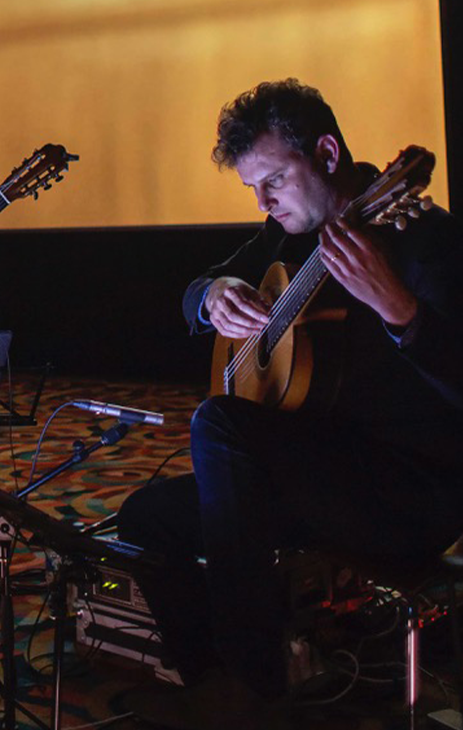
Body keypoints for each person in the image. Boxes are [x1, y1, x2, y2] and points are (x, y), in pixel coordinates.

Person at [117, 79, 463, 730]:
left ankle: (257, 687)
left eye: (273, 179)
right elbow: (194, 290)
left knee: (220, 423)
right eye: (252, 189)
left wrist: (400, 310)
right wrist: (213, 292)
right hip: (324, 474)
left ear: (327, 153)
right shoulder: (288, 233)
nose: (263, 201)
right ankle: (217, 676)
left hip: (411, 492)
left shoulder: (425, 240)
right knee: (147, 519)